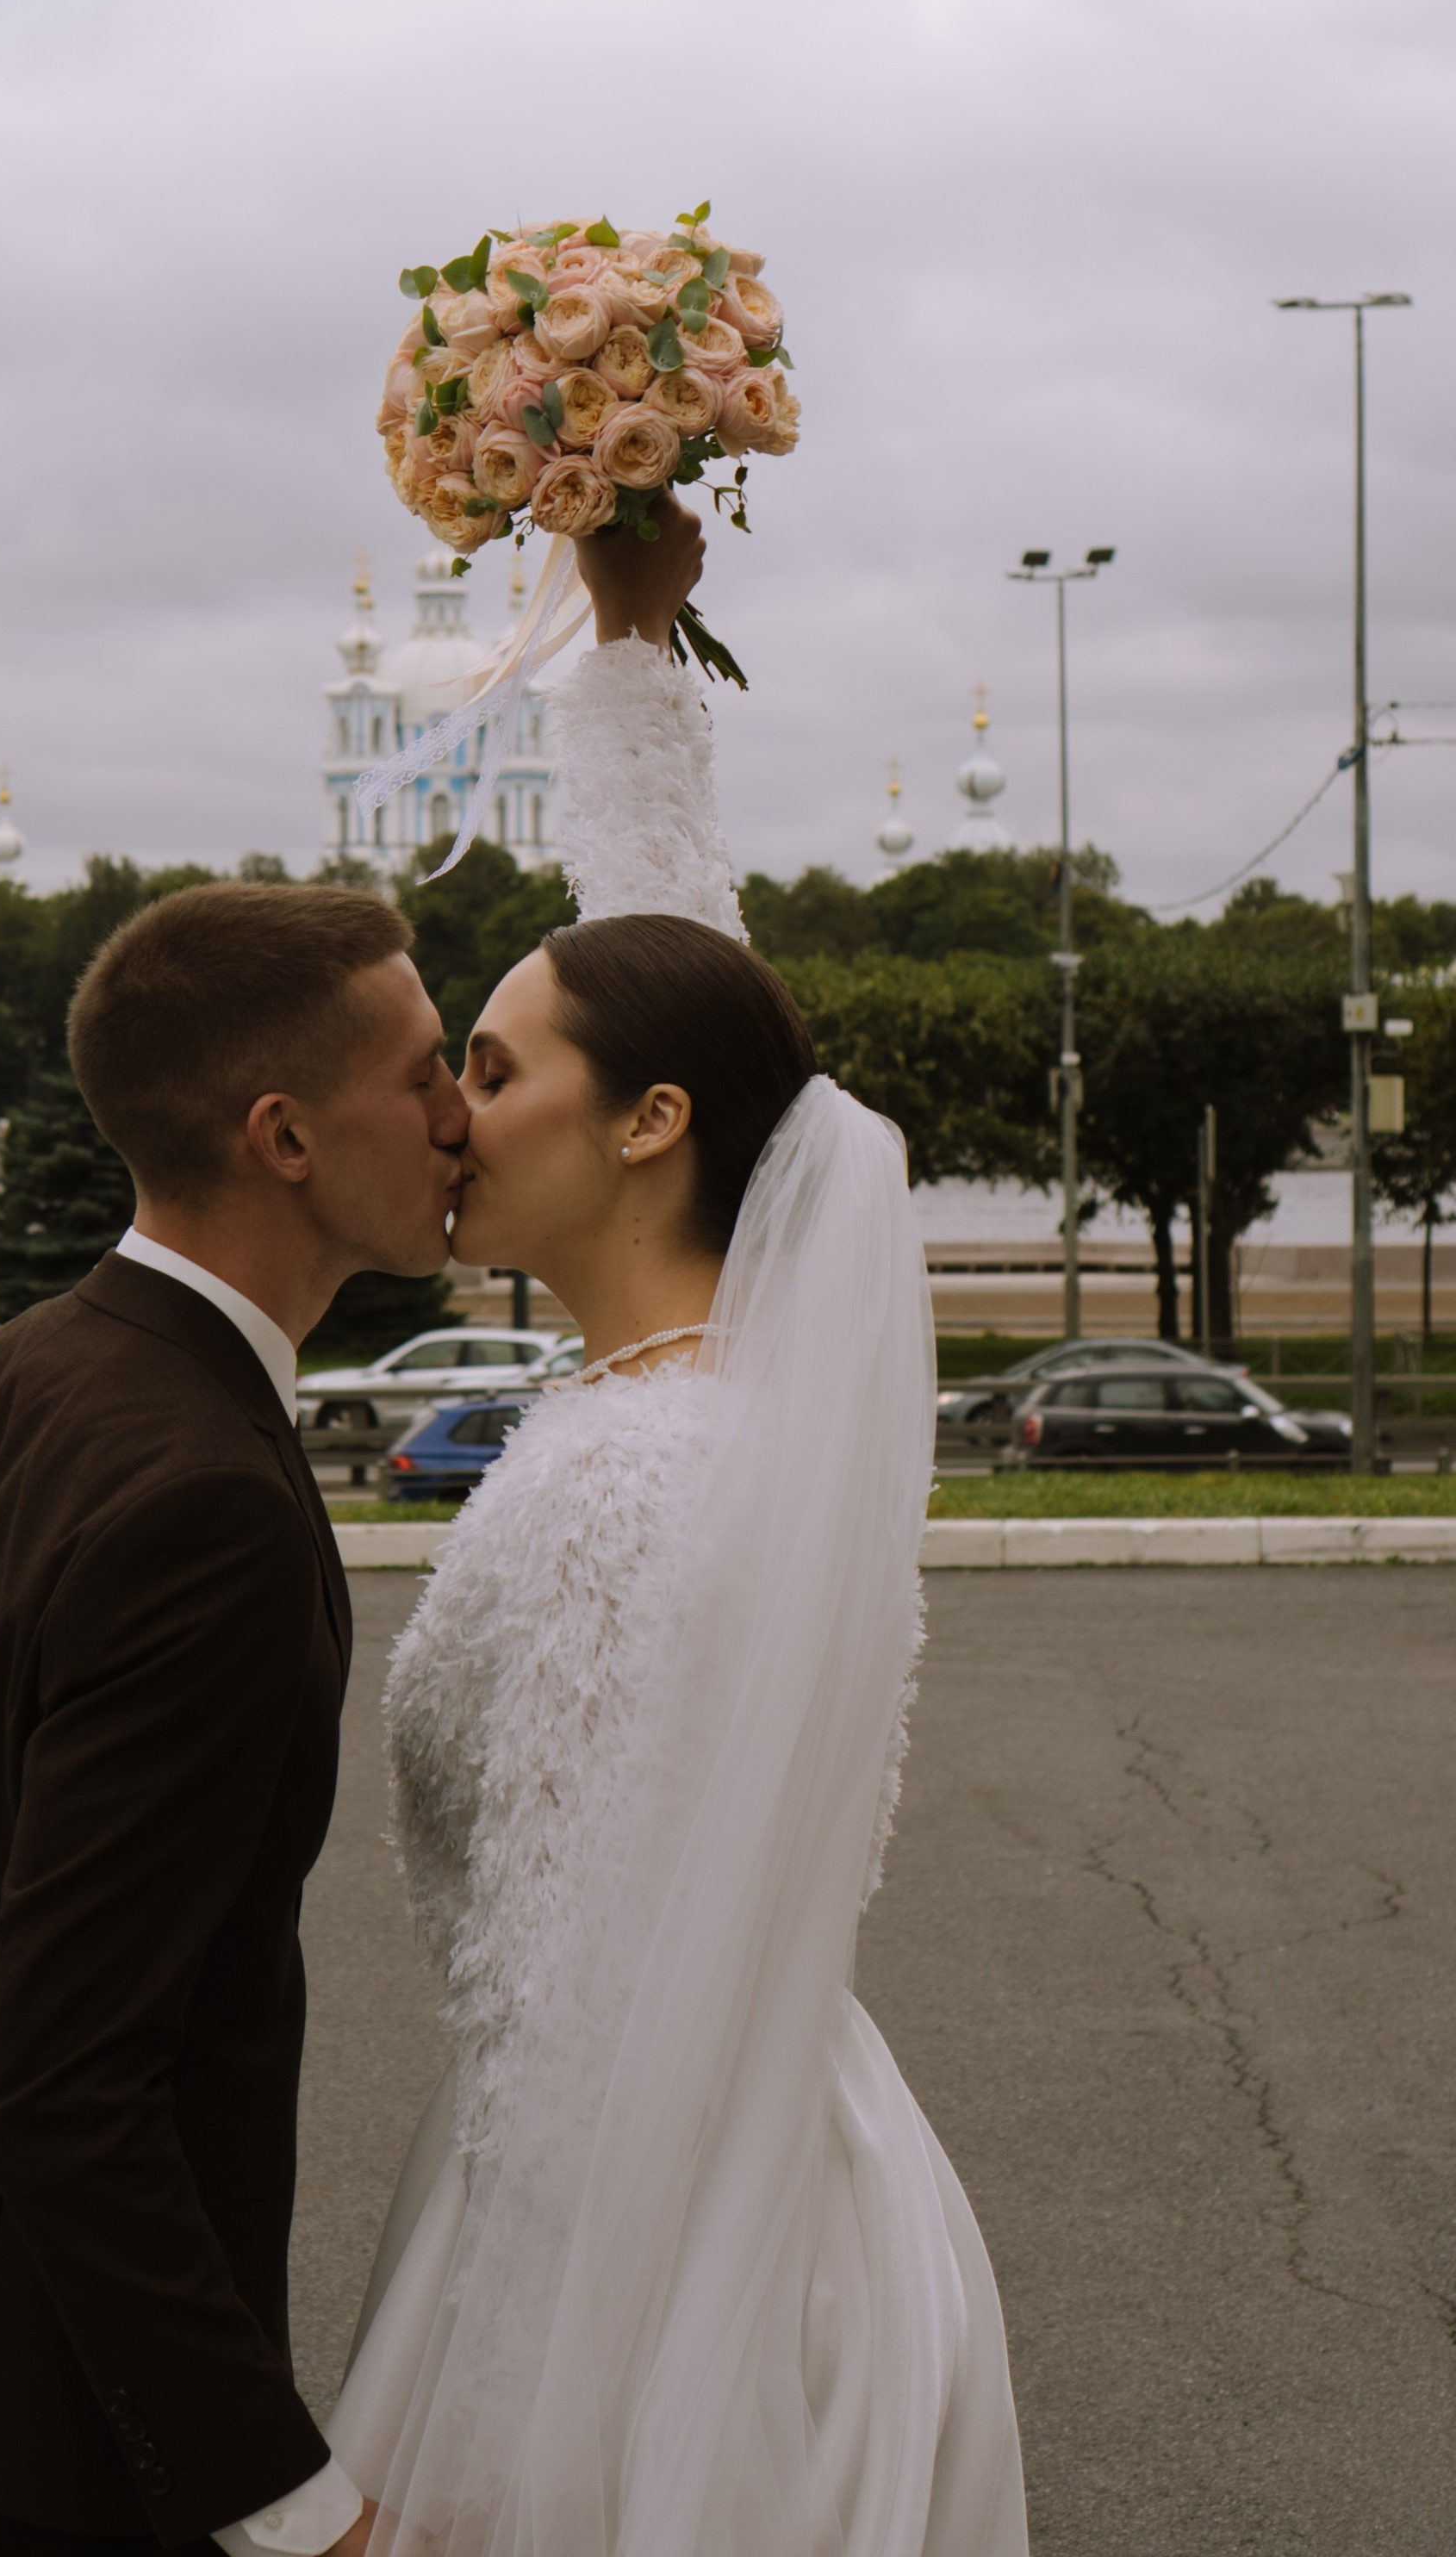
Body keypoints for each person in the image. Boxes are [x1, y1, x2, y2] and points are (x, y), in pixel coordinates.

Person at [328, 493, 1030, 2554]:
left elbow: (578, 2023)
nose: (450, 1109)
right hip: (788, 2199)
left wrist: (508, 2434)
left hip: (634, 2280)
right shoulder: (721, 1407)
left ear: (648, 1129)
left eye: (485, 1064)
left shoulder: (638, 1485)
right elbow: (683, 992)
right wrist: (631, 658)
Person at [0, 877, 465, 2557]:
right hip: (59, 2457)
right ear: (285, 1137)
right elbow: (69, 2080)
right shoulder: (206, 1502)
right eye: (429, 1073)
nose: (463, 1119)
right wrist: (282, 2498)